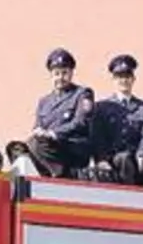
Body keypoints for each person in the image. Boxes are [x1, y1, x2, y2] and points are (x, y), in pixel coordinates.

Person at [26, 48, 96, 178]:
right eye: (56, 74)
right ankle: (53, 173)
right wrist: (38, 132)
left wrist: (54, 133)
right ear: (51, 76)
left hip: (72, 147)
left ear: (71, 73)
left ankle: (64, 174)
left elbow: (81, 122)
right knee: (23, 147)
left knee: (36, 145)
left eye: (64, 73)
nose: (60, 78)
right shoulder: (44, 101)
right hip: (50, 148)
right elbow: (38, 126)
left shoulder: (82, 94)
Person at [86, 53, 143, 184]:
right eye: (120, 77)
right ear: (113, 80)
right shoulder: (102, 107)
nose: (124, 81)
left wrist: (142, 154)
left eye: (127, 77)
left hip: (135, 160)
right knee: (122, 159)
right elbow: (97, 136)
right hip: (111, 160)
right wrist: (101, 159)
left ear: (133, 79)